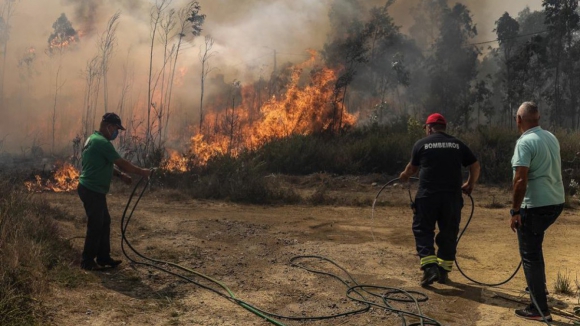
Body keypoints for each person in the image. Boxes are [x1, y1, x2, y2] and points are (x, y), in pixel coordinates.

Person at [399, 113, 480, 287]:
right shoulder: (458, 144)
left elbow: (412, 168)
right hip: (452, 199)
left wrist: (404, 176)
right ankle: (443, 272)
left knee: (423, 230)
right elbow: (475, 165)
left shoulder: (421, 144)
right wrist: (470, 184)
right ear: (444, 127)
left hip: (428, 197)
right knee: (449, 233)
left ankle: (429, 268)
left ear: (429, 128)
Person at [510, 102, 564, 322]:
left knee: (530, 255)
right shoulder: (550, 137)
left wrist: (514, 211)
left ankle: (538, 309)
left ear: (519, 119)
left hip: (535, 206)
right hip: (556, 202)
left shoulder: (524, 142)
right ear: (538, 118)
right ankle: (538, 290)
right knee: (534, 246)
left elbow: (520, 180)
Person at [78, 112, 151, 271]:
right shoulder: (103, 143)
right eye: (116, 129)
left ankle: (103, 257)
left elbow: (102, 163)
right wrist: (141, 172)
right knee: (96, 225)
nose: (116, 133)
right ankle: (87, 262)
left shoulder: (92, 139)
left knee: (105, 222)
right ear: (109, 126)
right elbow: (122, 162)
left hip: (91, 188)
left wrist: (120, 175)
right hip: (92, 189)